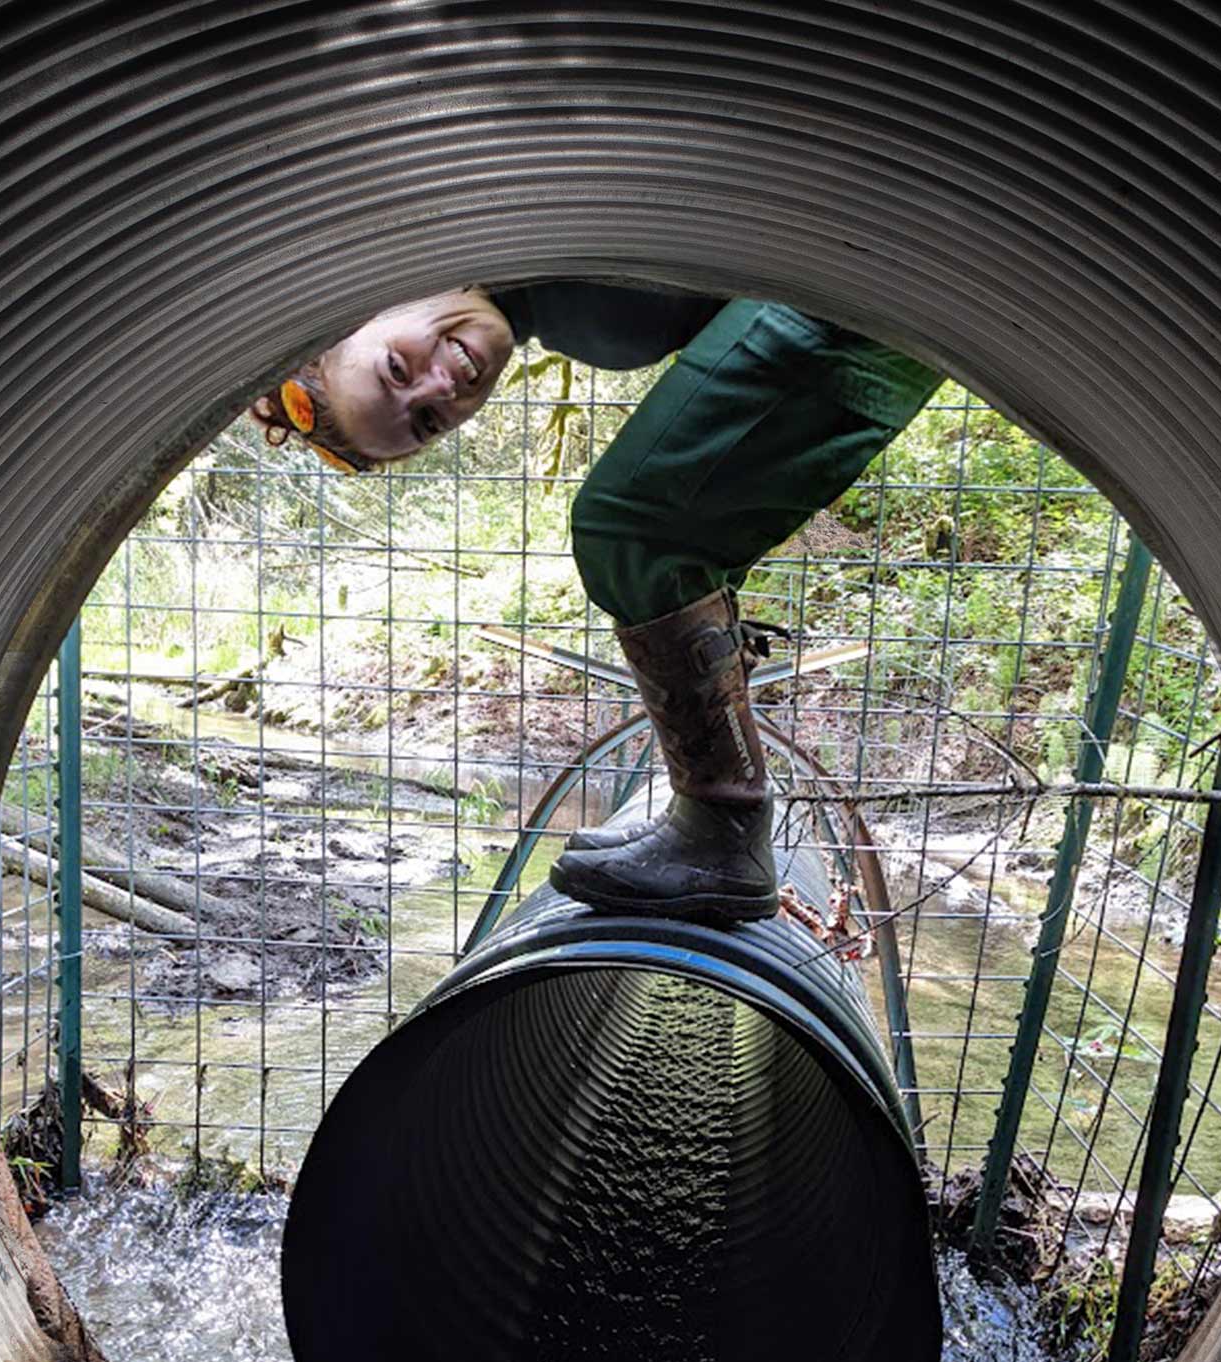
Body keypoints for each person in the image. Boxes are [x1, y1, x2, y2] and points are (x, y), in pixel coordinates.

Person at [251, 283, 942, 925]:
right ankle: (713, 825)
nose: (441, 386)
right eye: (429, 420)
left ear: (370, 304)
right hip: (852, 320)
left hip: (845, 294)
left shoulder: (514, 231)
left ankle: (723, 828)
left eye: (396, 370)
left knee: (635, 526)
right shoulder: (569, 321)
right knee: (649, 531)